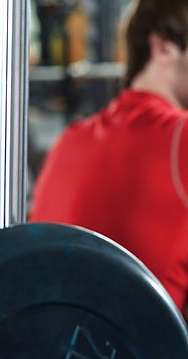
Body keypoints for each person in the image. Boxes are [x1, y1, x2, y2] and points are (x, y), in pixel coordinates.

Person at [30, 0, 188, 312]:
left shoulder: (70, 139)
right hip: (145, 353)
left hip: (47, 351)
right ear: (163, 48)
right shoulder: (179, 135)